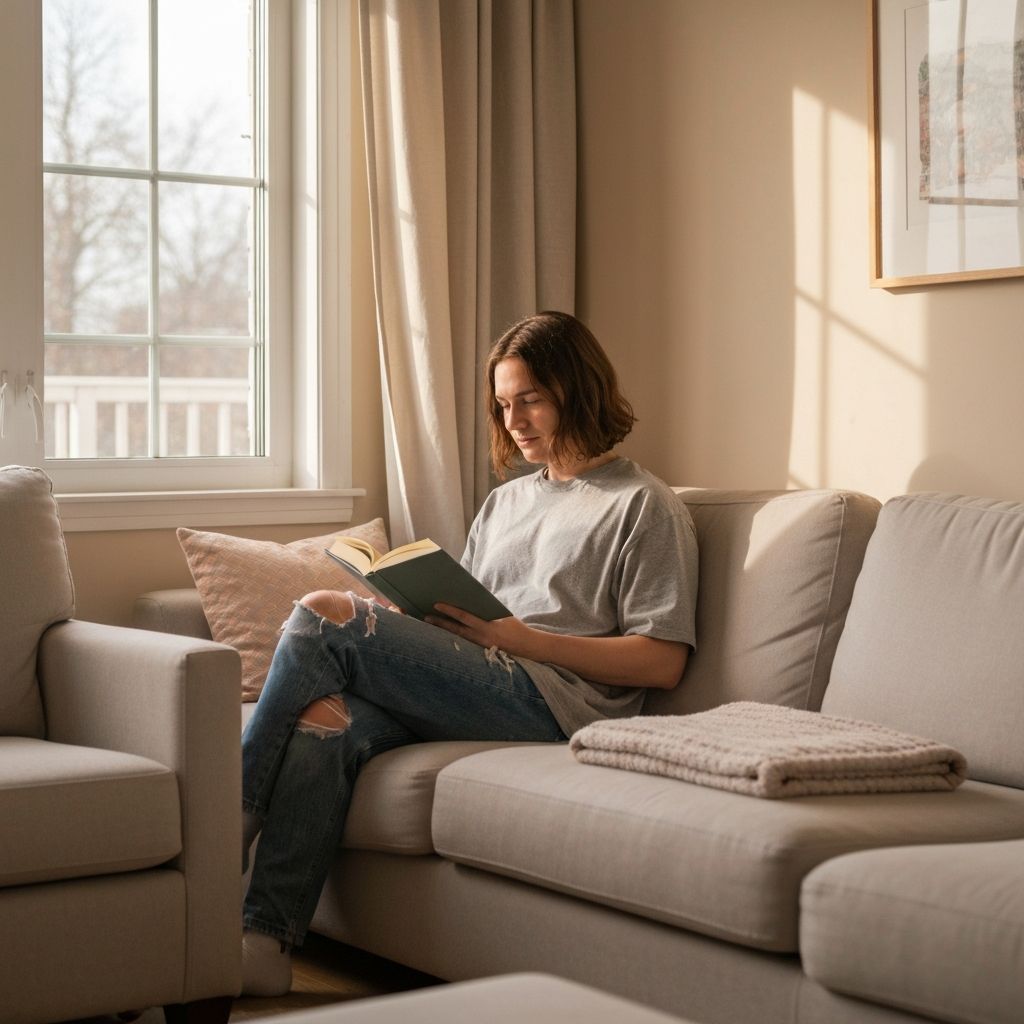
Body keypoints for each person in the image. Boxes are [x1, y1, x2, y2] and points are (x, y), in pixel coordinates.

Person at [239, 310, 699, 995]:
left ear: (580, 390)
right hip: (479, 681)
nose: (515, 420)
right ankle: (262, 947)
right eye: (504, 404)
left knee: (323, 612)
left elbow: (662, 662)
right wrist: (418, 621)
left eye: (532, 399)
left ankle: (228, 819)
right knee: (325, 717)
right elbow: (475, 618)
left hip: (555, 705)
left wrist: (525, 641)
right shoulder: (506, 503)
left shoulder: (643, 504)